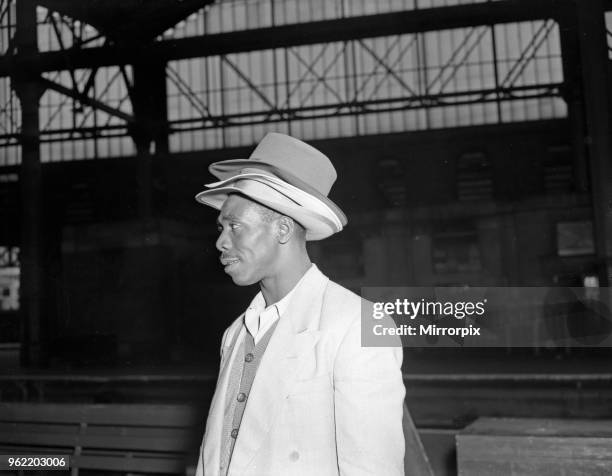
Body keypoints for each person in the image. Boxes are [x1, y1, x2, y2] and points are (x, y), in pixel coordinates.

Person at [194, 132, 406, 476]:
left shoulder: (358, 324)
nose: (220, 241)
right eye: (221, 227)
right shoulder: (235, 334)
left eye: (235, 227)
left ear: (282, 229)